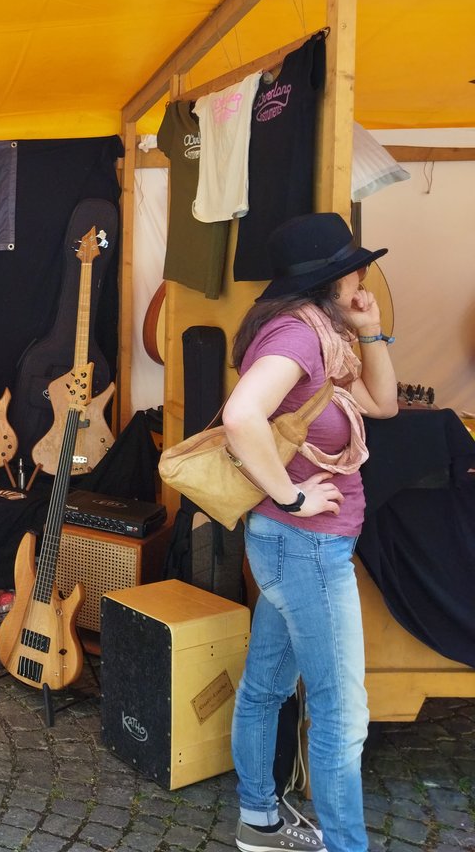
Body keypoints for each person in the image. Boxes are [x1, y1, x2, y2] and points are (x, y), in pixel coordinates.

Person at [222, 213, 397, 852]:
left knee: (265, 689)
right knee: (341, 716)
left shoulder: (323, 335)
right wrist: (292, 495)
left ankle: (259, 824)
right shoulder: (299, 336)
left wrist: (370, 330)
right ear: (332, 278)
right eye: (354, 268)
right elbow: (242, 415)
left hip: (295, 545)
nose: (362, 276)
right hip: (305, 546)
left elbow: (383, 404)